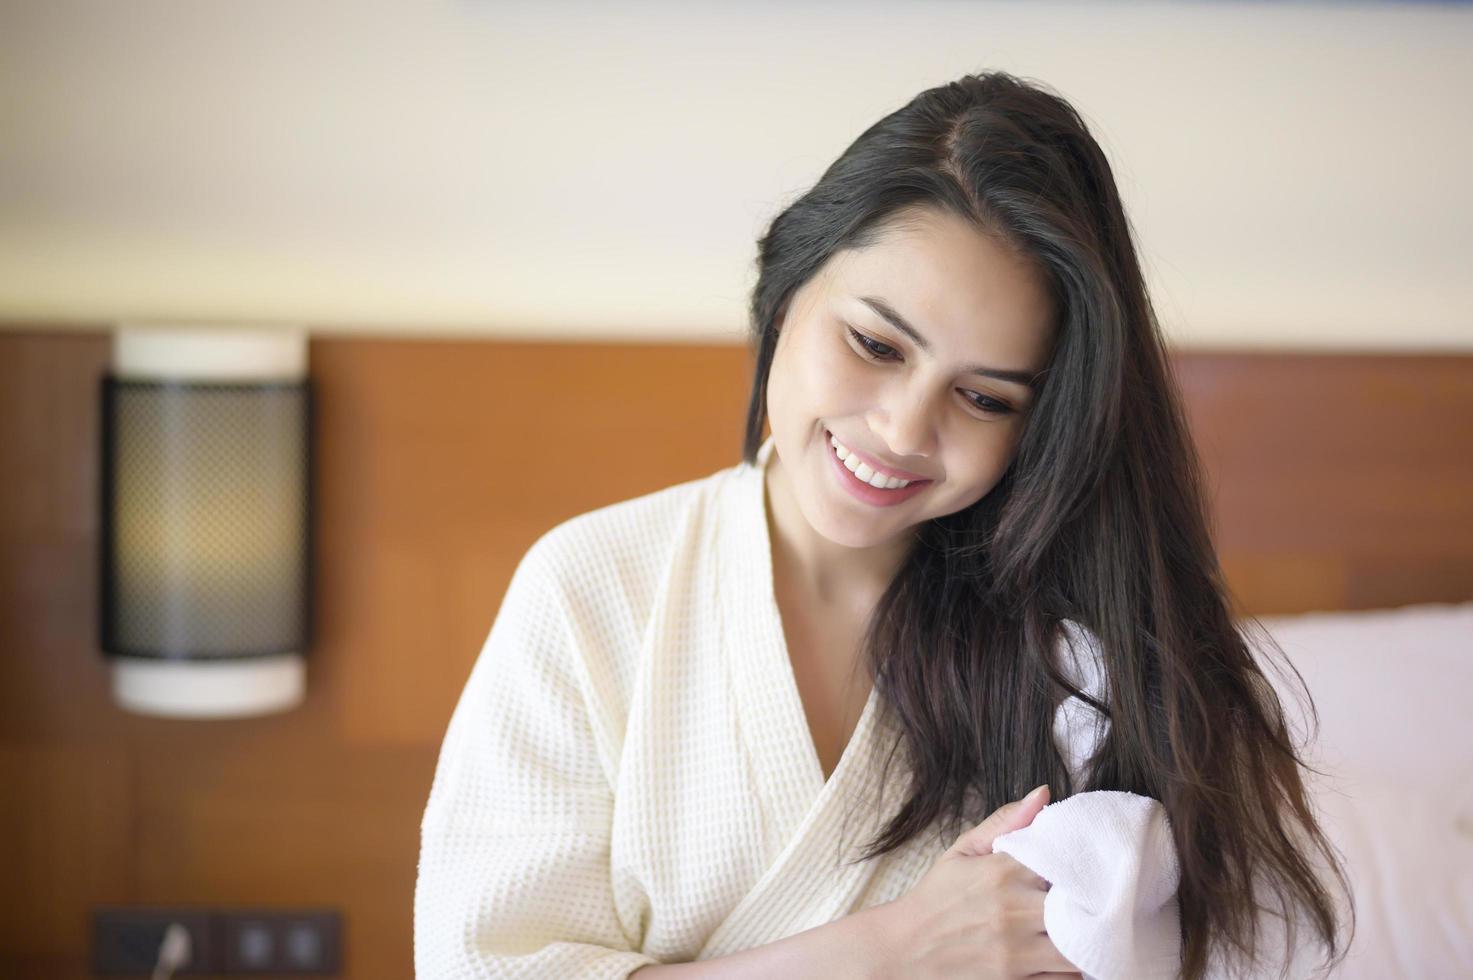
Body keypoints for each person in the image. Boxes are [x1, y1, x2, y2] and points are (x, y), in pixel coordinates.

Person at [414, 71, 1351, 979]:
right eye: (873, 344)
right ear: (787, 290)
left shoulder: (1078, 665)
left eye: (983, 397)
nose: (905, 430)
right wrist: (892, 954)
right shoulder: (593, 588)